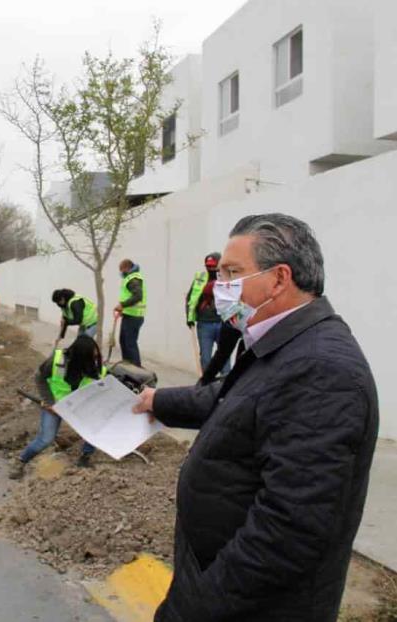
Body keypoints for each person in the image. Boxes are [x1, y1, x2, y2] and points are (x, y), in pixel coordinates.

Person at [133, 213, 378, 622]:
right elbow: (233, 400)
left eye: (232, 273)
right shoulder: (286, 344)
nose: (219, 286)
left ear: (279, 279)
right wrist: (159, 401)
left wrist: (196, 607)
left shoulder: (322, 369)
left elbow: (288, 530)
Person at [10, 335, 105, 478]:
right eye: (91, 357)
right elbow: (39, 378)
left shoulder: (97, 369)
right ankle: (21, 461)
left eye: (96, 356)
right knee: (46, 439)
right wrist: (50, 402)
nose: (95, 360)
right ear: (79, 357)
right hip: (55, 406)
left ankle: (85, 457)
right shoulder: (57, 360)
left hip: (79, 407)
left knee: (94, 429)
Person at [186, 252, 229, 375]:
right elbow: (190, 299)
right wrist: (189, 317)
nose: (210, 268)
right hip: (204, 324)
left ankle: (225, 383)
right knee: (205, 356)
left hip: (222, 323)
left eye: (213, 266)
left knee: (224, 354)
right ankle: (206, 383)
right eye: (208, 266)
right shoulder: (200, 278)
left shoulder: (228, 278)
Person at [114, 259, 146, 366]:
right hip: (129, 315)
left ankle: (136, 368)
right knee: (124, 342)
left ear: (127, 268)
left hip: (133, 317)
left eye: (121, 270)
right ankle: (127, 366)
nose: (121, 272)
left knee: (130, 344)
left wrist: (122, 305)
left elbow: (137, 296)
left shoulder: (133, 279)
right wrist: (123, 310)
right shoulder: (130, 278)